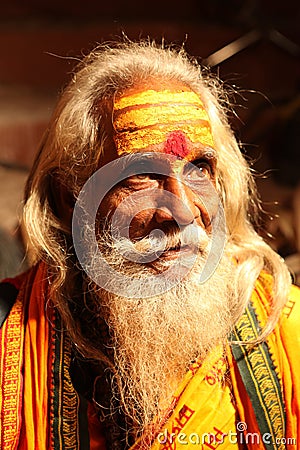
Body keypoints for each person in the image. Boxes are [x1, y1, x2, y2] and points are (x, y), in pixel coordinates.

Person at [0, 40, 299, 450]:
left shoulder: (288, 333)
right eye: (140, 173)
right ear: (72, 195)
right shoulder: (6, 341)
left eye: (199, 168)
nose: (183, 210)